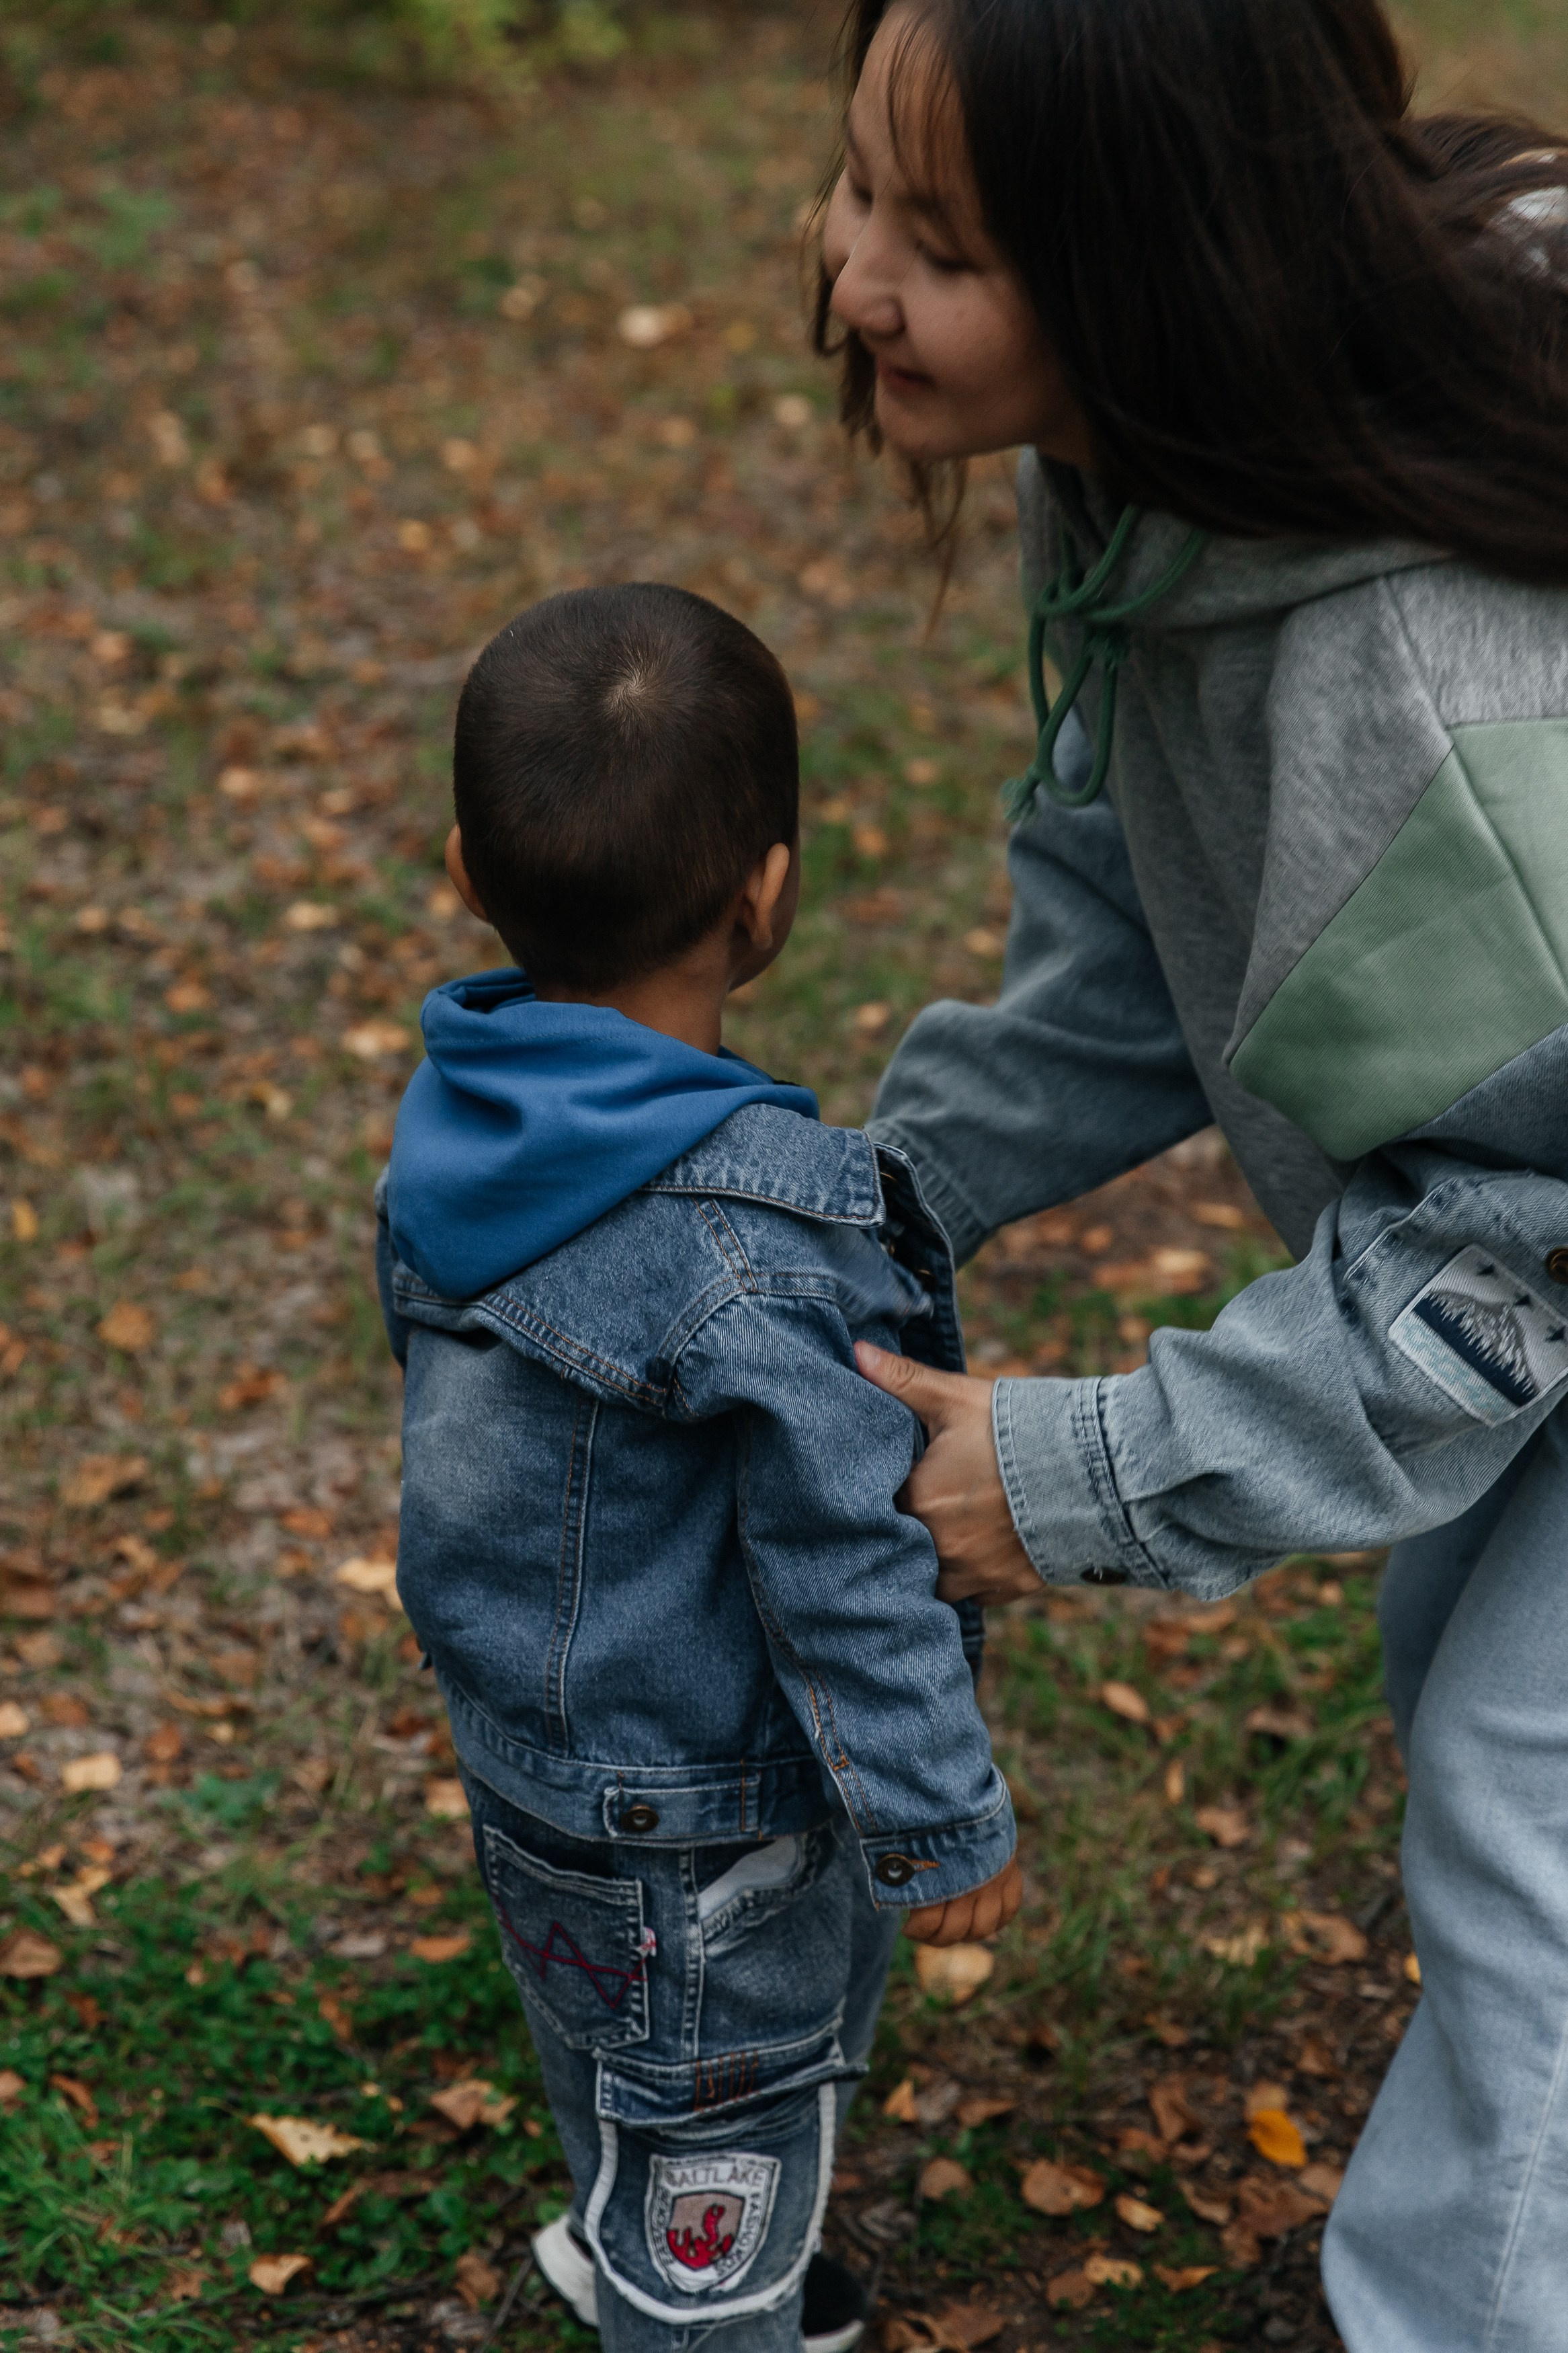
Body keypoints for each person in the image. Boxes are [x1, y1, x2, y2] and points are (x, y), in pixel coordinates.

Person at [813, 1, 1568, 2346]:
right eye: (852, 186)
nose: (847, 277)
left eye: (932, 240)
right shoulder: (1151, 458)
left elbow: (1501, 1282)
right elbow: (1147, 921)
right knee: (1483, 1668)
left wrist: (1072, 1467)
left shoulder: (1430, 705)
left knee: (1530, 1820)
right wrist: (859, 1203)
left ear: (1158, 263)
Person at [374, 582, 1020, 2353]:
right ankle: (695, 2294)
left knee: (620, 2029)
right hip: (706, 1806)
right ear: (769, 893)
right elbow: (841, 1547)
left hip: (536, 1757)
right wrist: (936, 1808)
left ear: (463, 863)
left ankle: (650, 2219)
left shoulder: (464, 1127)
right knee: (714, 2087)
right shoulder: (756, 1246)